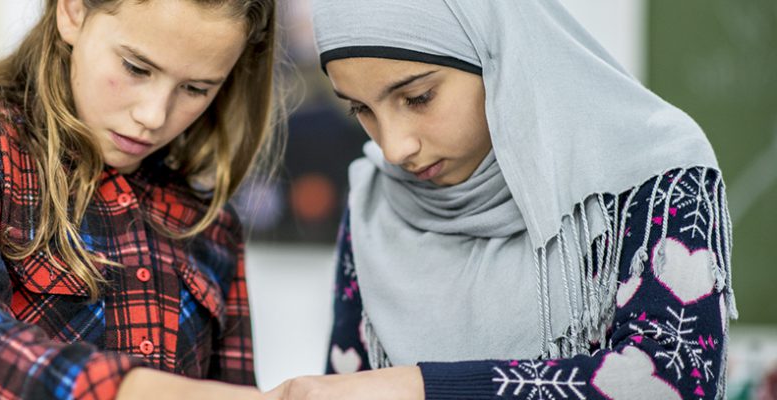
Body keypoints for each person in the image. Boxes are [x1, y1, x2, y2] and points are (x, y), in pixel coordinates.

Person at [266, 1, 737, 399]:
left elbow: (674, 381)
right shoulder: (375, 197)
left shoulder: (655, 175)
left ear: (498, 58)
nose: (395, 147)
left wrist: (421, 388)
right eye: (362, 110)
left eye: (418, 97)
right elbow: (350, 384)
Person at [0, 0, 282, 398]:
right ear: (72, 12)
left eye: (196, 89)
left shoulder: (212, 220)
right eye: (136, 68)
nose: (154, 116)